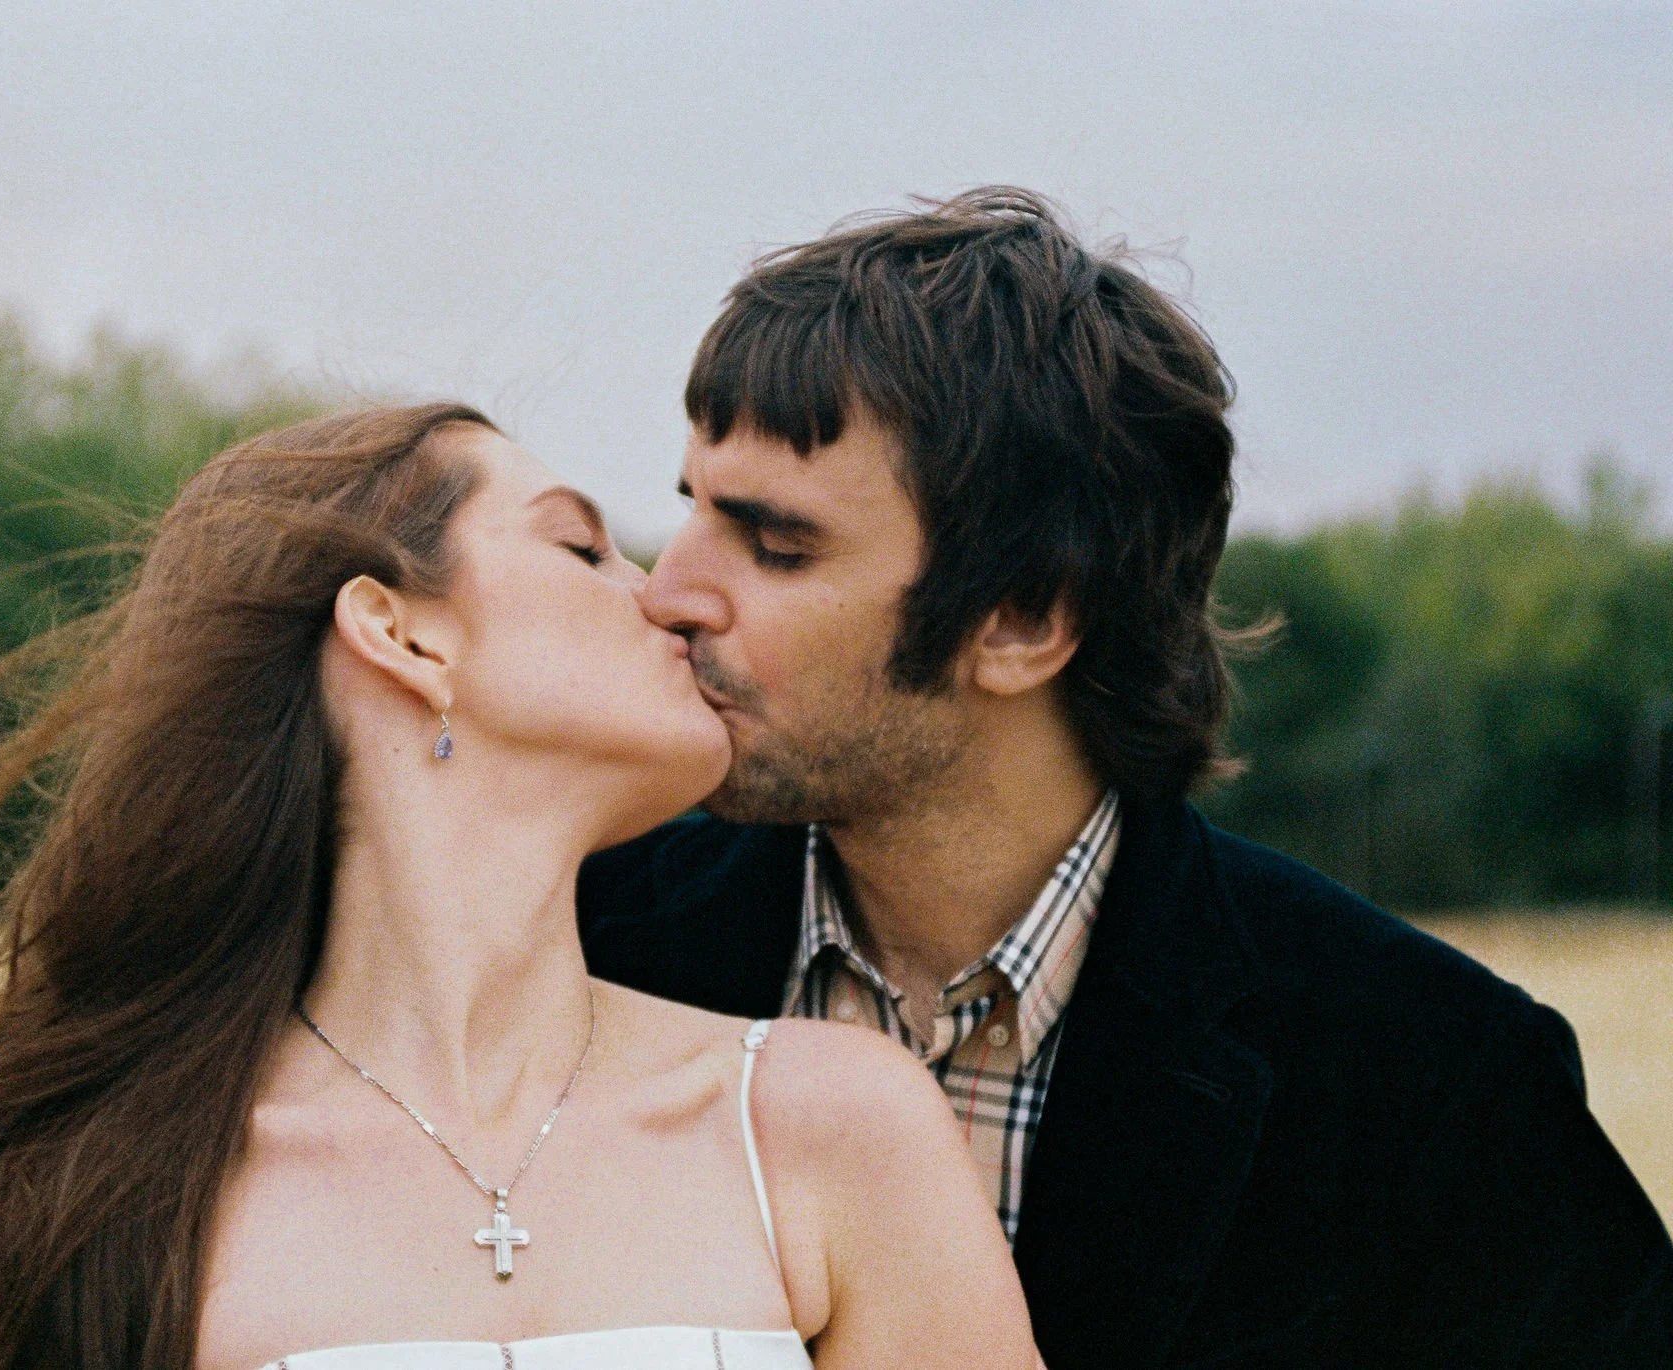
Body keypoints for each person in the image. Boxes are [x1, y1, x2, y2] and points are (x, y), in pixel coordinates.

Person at [579, 187, 1673, 1369]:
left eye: (774, 544)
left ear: (1023, 618)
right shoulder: (580, 950)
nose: (664, 589)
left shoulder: (1429, 1085)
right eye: (690, 507)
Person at [0, 404, 1041, 1370]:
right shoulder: (115, 1190)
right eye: (580, 545)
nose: (665, 594)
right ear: (400, 634)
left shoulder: (828, 1126)